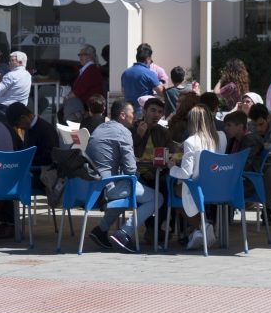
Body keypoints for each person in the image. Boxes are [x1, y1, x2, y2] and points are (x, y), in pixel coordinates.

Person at [85, 99, 161, 253]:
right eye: (132, 113)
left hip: (91, 187)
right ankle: (124, 233)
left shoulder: (100, 128)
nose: (135, 116)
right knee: (157, 198)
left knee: (129, 189)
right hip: (108, 188)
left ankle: (100, 230)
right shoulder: (123, 132)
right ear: (122, 115)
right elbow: (131, 169)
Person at [167, 106, 221, 249]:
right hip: (215, 187)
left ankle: (202, 226)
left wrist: (171, 167)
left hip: (196, 187)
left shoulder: (190, 141)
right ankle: (197, 231)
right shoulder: (216, 138)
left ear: (191, 121)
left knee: (173, 192)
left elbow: (186, 173)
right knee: (180, 192)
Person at [6, 102, 58, 176]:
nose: (19, 128)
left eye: (17, 125)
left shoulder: (46, 130)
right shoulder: (29, 128)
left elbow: (50, 158)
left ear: (23, 118)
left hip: (42, 176)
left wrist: (25, 160)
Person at [132, 98, 172, 185]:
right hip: (135, 174)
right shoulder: (132, 128)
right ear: (144, 111)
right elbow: (128, 154)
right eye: (153, 110)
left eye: (160, 112)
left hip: (157, 173)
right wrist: (138, 136)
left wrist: (153, 171)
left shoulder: (163, 132)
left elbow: (170, 155)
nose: (156, 115)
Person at [121, 44, 164, 112]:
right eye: (151, 61)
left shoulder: (125, 73)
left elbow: (123, 92)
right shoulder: (149, 73)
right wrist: (161, 84)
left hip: (129, 112)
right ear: (148, 59)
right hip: (144, 111)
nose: (151, 63)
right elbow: (161, 92)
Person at [0, 51, 32, 120]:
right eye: (9, 60)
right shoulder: (27, 75)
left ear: (20, 62)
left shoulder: (10, 75)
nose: (9, 63)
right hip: (20, 109)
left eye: (12, 60)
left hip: (5, 109)